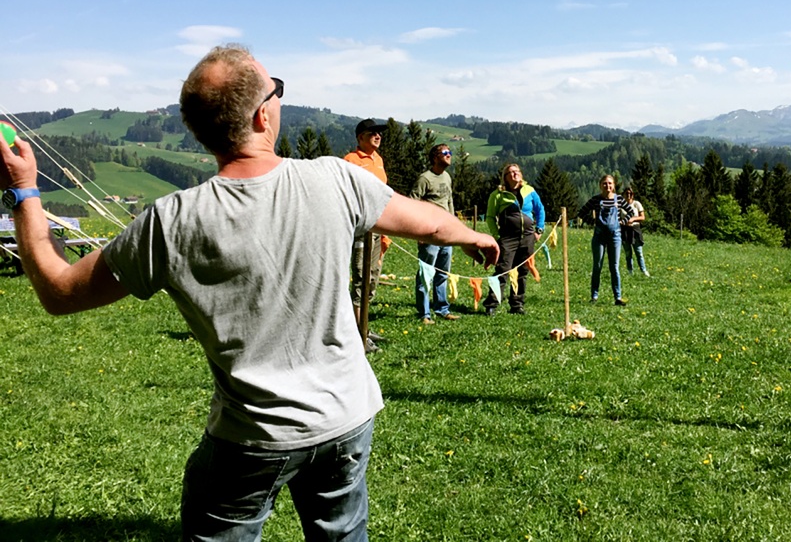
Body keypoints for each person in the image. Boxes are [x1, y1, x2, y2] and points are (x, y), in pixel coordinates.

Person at [0, 45, 499, 542]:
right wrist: (475, 236)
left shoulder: (171, 221)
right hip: (345, 420)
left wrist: (25, 191)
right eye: (276, 90)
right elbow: (429, 223)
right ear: (264, 115)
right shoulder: (335, 179)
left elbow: (59, 291)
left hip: (251, 439)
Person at [344, 118, 390, 349]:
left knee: (372, 279)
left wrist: (385, 236)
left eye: (379, 133)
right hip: (361, 230)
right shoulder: (351, 161)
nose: (378, 136)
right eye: (373, 133)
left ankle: (364, 327)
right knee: (361, 279)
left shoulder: (378, 160)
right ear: (360, 137)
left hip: (379, 230)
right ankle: (357, 334)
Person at [484, 163, 545, 316]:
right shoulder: (498, 194)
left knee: (523, 271)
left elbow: (540, 209)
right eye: (510, 172)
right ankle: (492, 304)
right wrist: (497, 236)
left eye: (517, 171)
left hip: (528, 237)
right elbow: (490, 217)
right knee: (502, 270)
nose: (514, 174)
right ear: (505, 177)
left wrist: (540, 229)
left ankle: (517, 304)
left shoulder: (529, 190)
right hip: (507, 238)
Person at [409, 143, 458, 324]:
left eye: (449, 152)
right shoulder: (425, 179)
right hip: (429, 233)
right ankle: (424, 314)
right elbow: (412, 205)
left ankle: (442, 309)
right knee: (426, 273)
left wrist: (454, 225)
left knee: (442, 273)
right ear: (435, 157)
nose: (449, 155)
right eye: (444, 152)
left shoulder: (447, 177)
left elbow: (449, 201)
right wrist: (419, 233)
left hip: (446, 233)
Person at [579, 174, 632, 305]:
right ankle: (594, 296)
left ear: (613, 186)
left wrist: (622, 221)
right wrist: (592, 222)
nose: (607, 186)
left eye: (610, 183)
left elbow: (630, 212)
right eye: (604, 183)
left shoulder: (619, 199)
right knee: (597, 266)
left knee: (614, 267)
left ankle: (617, 297)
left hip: (615, 236)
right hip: (599, 237)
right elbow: (581, 212)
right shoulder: (596, 200)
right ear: (600, 185)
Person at [621, 187, 651, 277]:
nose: (628, 195)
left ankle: (644, 270)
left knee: (639, 252)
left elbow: (642, 217)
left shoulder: (636, 204)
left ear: (633, 194)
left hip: (635, 230)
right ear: (623, 194)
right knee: (628, 252)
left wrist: (633, 219)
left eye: (630, 193)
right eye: (627, 193)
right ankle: (630, 271)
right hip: (625, 230)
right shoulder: (621, 205)